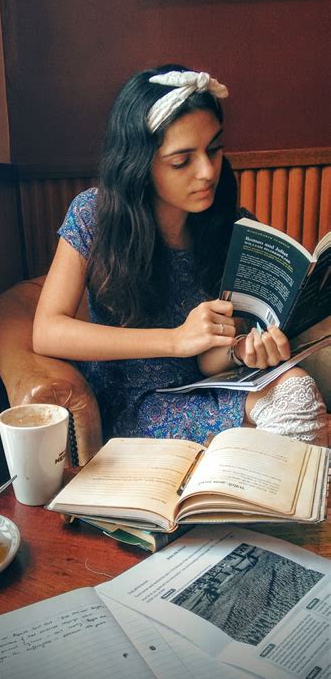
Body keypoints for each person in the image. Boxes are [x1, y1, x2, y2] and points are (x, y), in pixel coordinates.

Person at [33, 65, 327, 447]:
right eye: (181, 160)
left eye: (214, 149)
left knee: (298, 395)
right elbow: (47, 331)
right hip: (136, 402)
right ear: (139, 163)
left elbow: (210, 357)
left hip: (211, 384)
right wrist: (175, 339)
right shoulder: (94, 215)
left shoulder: (233, 227)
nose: (207, 171)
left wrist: (242, 351)